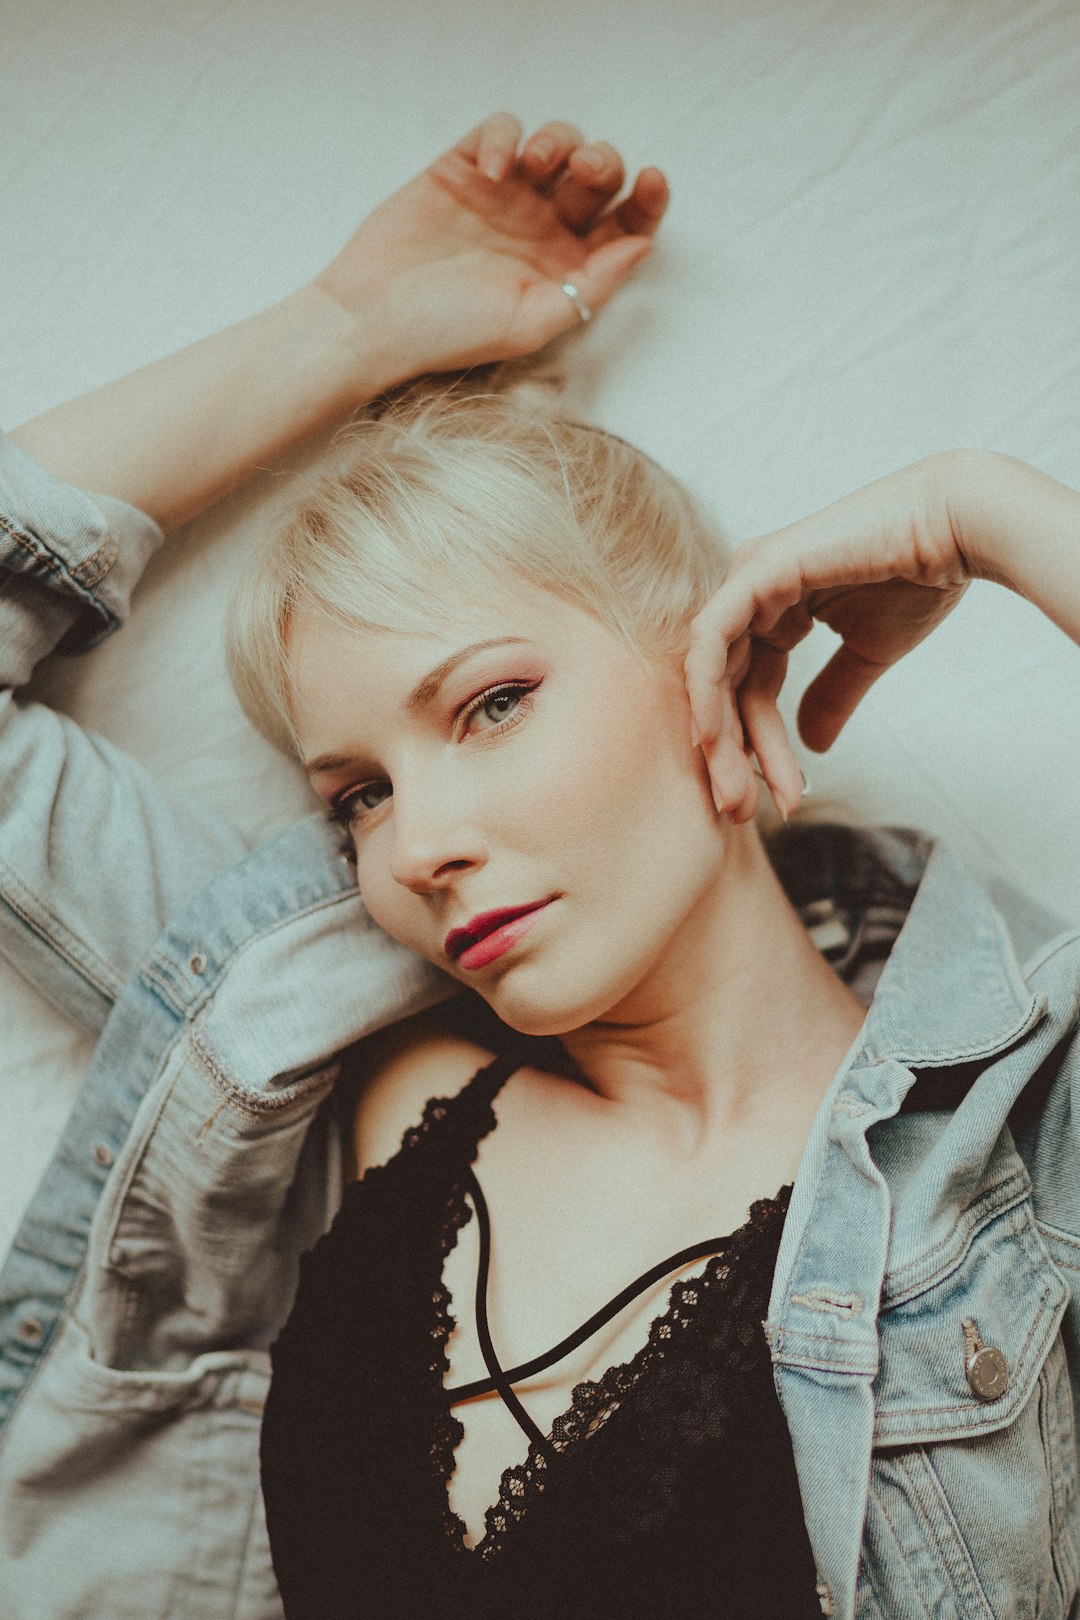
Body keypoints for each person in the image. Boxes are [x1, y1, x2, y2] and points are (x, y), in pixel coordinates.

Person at [1, 112, 1078, 1620]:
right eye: (359, 794)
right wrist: (346, 329)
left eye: (493, 705)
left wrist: (993, 512)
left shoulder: (1028, 1147)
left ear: (724, 663)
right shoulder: (318, 1059)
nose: (421, 844)